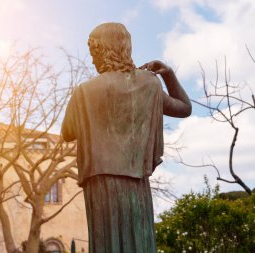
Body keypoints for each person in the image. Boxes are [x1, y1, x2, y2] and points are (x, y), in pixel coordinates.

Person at [61, 22, 191, 253]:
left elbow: (67, 133)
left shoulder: (84, 91)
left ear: (105, 50)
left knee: (106, 244)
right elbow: (184, 108)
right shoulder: (149, 84)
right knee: (138, 241)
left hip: (99, 180)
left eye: (94, 53)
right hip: (136, 179)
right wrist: (169, 75)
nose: (92, 60)